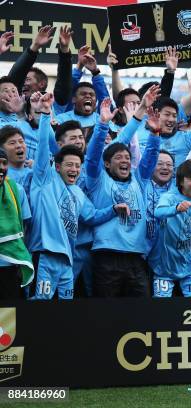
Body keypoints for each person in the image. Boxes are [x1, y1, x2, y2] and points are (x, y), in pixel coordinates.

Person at [28, 92, 123, 300]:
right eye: (69, 165)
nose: (74, 169)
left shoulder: (78, 192)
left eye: (77, 166)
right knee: (37, 310)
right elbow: (43, 148)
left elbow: (91, 216)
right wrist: (45, 115)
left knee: (67, 313)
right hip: (44, 254)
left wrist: (114, 210)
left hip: (67, 261)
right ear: (58, 166)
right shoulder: (45, 179)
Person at [85, 87, 161, 297]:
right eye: (118, 158)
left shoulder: (139, 180)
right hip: (107, 257)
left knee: (140, 317)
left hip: (137, 258)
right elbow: (92, 156)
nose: (125, 160)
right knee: (106, 318)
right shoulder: (98, 180)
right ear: (107, 164)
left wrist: (154, 134)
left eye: (127, 157)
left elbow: (150, 158)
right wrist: (102, 126)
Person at [149, 160, 191, 297]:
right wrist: (176, 208)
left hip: (189, 267)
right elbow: (158, 213)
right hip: (164, 268)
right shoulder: (169, 197)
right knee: (161, 310)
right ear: (180, 182)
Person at [0, 147, 33, 300]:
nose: (2, 167)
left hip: (9, 264)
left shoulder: (16, 190)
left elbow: (23, 227)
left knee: (6, 318)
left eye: (4, 163)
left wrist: (21, 258)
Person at [0, 125, 32, 193]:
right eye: (12, 143)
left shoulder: (33, 171)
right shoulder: (2, 175)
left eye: (21, 141)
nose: (19, 146)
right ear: (1, 149)